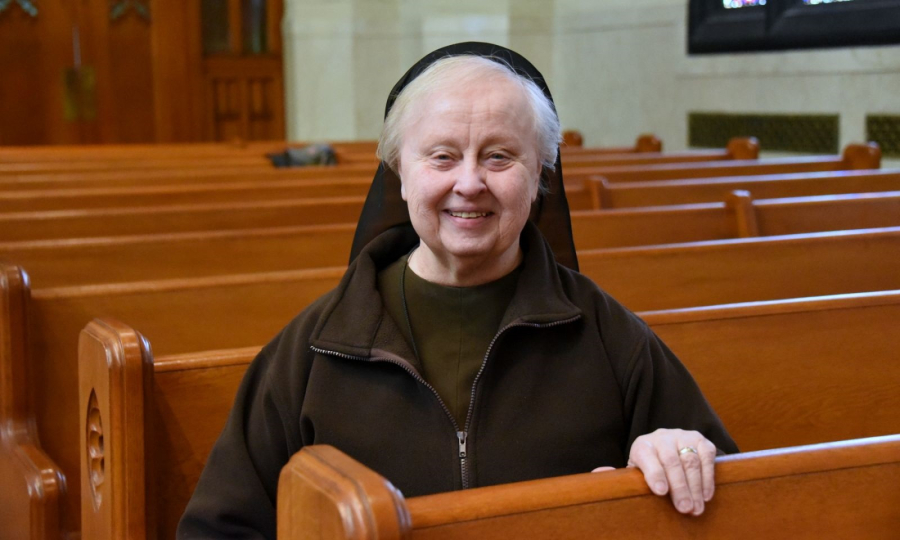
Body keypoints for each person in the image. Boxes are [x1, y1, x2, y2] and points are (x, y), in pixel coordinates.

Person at [177, 42, 738, 539]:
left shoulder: (612, 339)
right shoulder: (311, 350)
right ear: (400, 170)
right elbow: (219, 529)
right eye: (442, 155)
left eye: (499, 156)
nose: (469, 183)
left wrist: (673, 461)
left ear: (540, 171)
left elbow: (738, 504)